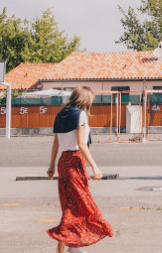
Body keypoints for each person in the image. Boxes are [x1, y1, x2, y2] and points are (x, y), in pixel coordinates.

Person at [46, 86, 113, 253]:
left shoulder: (60, 114)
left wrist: (51, 165)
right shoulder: (80, 114)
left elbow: (55, 143)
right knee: (80, 205)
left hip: (63, 162)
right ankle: (70, 246)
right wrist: (95, 166)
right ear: (85, 100)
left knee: (70, 205)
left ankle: (70, 246)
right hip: (76, 161)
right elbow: (82, 144)